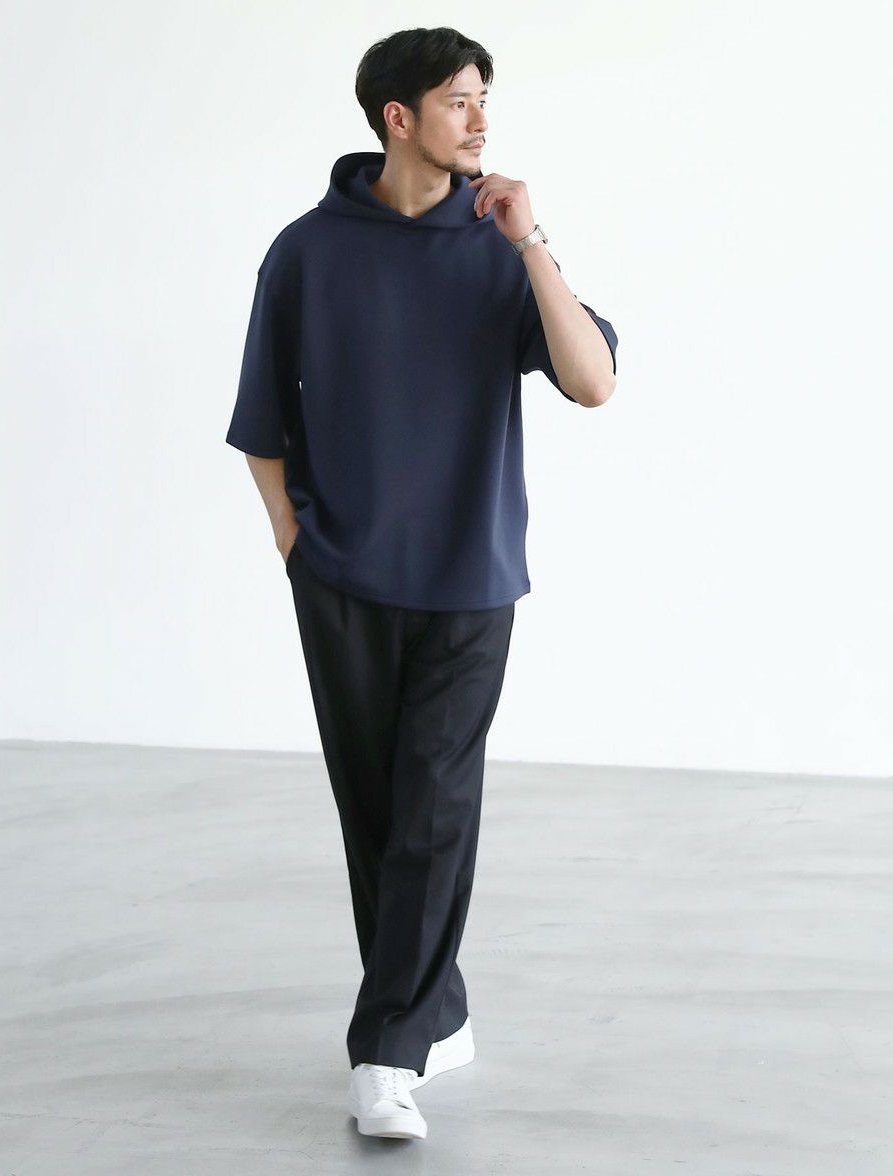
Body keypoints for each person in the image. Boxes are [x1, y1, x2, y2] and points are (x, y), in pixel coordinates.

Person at [225, 26, 618, 1140]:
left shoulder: (499, 249)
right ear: (397, 118)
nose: (480, 119)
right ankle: (432, 1009)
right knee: (380, 815)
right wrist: (293, 540)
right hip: (342, 578)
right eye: (458, 100)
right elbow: (261, 418)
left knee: (435, 808)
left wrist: (530, 237)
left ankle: (384, 1054)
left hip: (467, 575)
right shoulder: (307, 252)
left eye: (483, 97)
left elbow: (592, 381)